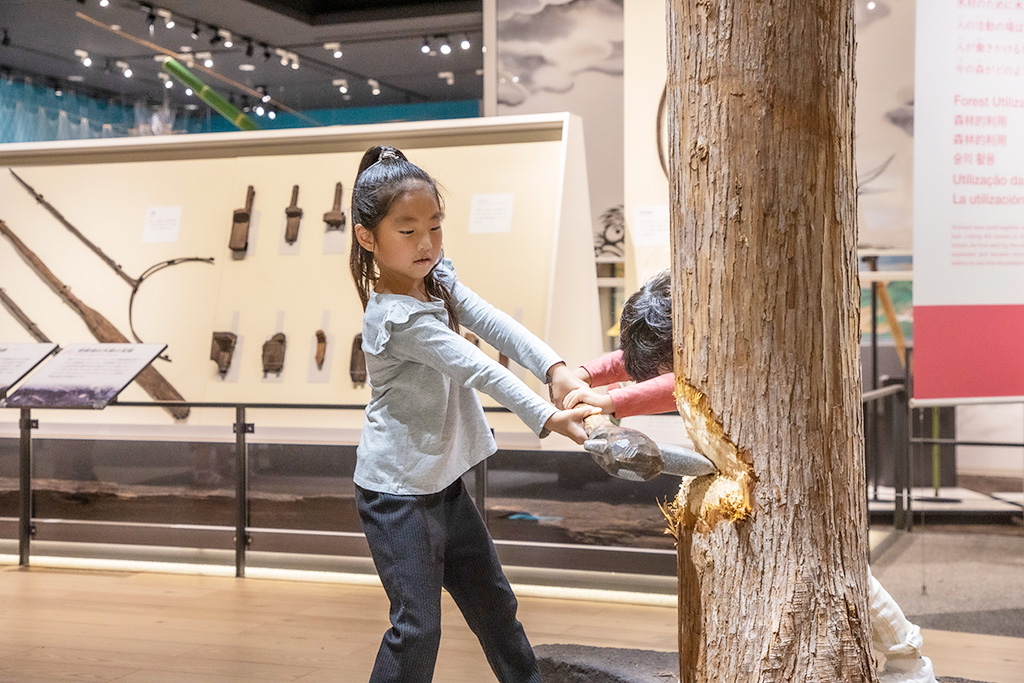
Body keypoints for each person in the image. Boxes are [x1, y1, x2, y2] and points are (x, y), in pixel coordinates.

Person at [558, 270, 937, 683]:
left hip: (794, 467)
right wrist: (583, 374)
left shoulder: (727, 342)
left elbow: (683, 380)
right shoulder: (690, 324)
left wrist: (611, 400)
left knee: (837, 570)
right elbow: (635, 362)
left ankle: (910, 661)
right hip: (747, 474)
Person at [348, 144, 594, 683]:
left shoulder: (435, 278)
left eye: (435, 225)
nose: (426, 242)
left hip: (443, 485)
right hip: (397, 495)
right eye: (407, 230)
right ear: (367, 237)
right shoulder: (397, 317)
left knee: (494, 606)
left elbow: (490, 319)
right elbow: (477, 366)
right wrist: (547, 416)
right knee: (417, 629)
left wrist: (553, 367)